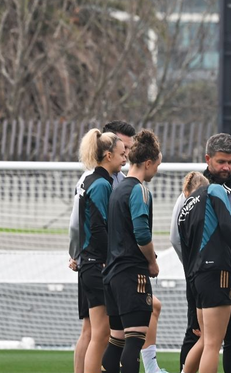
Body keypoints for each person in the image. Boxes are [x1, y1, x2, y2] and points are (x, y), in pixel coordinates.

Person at [171, 133, 231, 373]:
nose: (226, 167)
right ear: (208, 159)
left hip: (225, 276)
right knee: (205, 340)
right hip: (211, 273)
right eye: (221, 162)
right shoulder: (199, 192)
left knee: (227, 340)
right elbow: (177, 239)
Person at [70, 120, 133, 373]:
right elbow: (96, 227)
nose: (125, 157)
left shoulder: (95, 181)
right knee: (99, 333)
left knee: (97, 331)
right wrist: (110, 258)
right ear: (108, 155)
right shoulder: (101, 183)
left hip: (91, 262)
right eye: (122, 153)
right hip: (96, 264)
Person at [102, 130, 163, 373]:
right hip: (131, 274)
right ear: (148, 163)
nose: (157, 170)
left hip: (112, 275)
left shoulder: (117, 188)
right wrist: (152, 261)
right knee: (134, 343)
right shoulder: (139, 190)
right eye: (157, 165)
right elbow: (142, 234)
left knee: (115, 343)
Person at [172, 172, 210, 373]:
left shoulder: (185, 208)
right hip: (205, 273)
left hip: (193, 275)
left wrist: (188, 264)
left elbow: (176, 239)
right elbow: (174, 239)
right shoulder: (201, 204)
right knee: (207, 339)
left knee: (199, 334)